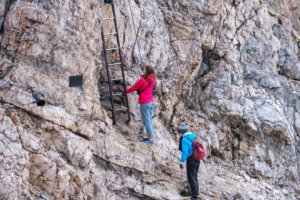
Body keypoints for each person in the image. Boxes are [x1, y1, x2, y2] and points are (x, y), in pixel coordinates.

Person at [125, 65, 156, 144]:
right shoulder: (152, 79)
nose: (143, 69)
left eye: (144, 68)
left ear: (146, 70)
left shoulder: (142, 80)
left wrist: (126, 91)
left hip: (145, 102)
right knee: (150, 120)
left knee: (146, 121)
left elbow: (134, 87)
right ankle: (151, 137)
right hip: (151, 101)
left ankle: (150, 139)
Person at [178, 122, 200, 200]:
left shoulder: (184, 140)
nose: (178, 134)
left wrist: (181, 162)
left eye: (178, 132)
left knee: (190, 177)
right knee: (194, 176)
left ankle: (194, 196)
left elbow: (185, 152)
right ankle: (196, 193)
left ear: (181, 133)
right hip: (197, 159)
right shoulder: (191, 137)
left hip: (191, 159)